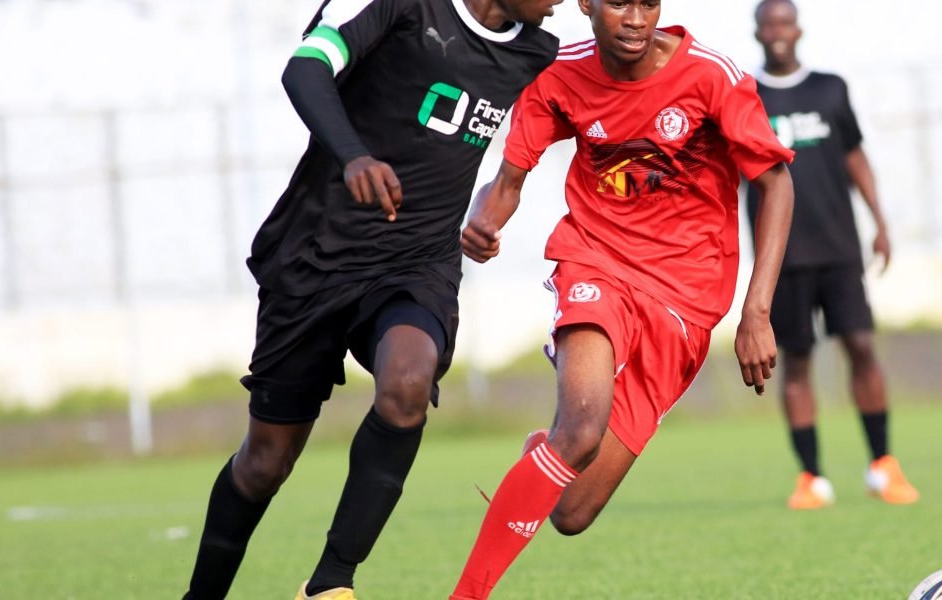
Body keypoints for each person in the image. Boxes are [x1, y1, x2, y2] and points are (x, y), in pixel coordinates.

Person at [180, 0, 562, 598]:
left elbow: (536, 147)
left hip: (417, 265)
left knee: (408, 385)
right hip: (315, 257)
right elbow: (305, 67)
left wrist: (486, 218)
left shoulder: (538, 52)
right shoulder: (404, 6)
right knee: (265, 464)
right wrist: (353, 154)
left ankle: (331, 583)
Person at [446, 0, 796, 597]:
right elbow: (506, 182)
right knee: (582, 429)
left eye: (648, 3)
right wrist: (482, 221)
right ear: (585, 4)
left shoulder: (712, 76)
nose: (635, 19)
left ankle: (545, 455)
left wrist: (756, 310)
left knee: (570, 512)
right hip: (596, 262)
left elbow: (776, 183)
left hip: (686, 299)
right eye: (618, 3)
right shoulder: (559, 73)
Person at [749, 0, 918, 510]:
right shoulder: (745, 94)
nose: (778, 31)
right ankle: (811, 477)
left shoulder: (830, 88)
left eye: (785, 22)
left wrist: (880, 220)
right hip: (782, 257)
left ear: (798, 30)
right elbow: (728, 172)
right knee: (796, 361)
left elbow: (854, 155)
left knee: (861, 346)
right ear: (757, 33)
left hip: (839, 248)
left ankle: (882, 464)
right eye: (768, 24)